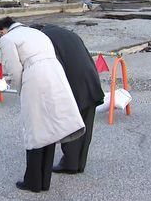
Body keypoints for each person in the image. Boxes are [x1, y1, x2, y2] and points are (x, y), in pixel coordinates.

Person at [0, 17, 85, 193]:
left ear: (2, 31)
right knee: (49, 126)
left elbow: (14, 69)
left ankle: (33, 181)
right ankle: (45, 180)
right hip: (55, 74)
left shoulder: (8, 39)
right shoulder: (36, 32)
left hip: (34, 75)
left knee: (34, 127)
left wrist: (21, 90)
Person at [31, 24, 104, 174]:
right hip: (91, 78)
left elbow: (53, 64)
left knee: (70, 122)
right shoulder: (67, 33)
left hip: (74, 81)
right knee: (86, 122)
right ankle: (79, 163)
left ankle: (69, 163)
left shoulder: (45, 39)